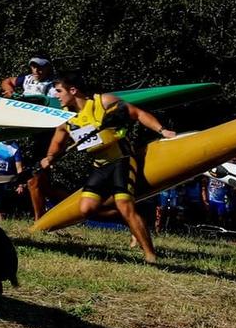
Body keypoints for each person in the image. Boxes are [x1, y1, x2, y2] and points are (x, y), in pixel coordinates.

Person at [38, 71, 177, 262]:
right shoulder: (67, 120)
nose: (56, 95)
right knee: (87, 209)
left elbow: (138, 113)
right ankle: (129, 220)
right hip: (99, 166)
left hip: (121, 161)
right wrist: (49, 157)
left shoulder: (103, 102)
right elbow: (57, 142)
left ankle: (150, 255)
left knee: (124, 204)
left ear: (73, 90)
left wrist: (163, 130)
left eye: (59, 91)